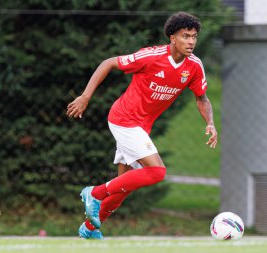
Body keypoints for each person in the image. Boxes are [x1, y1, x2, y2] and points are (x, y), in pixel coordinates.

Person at [66, 11, 217, 239]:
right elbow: (109, 63)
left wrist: (211, 123)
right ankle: (94, 194)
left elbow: (201, 98)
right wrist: (85, 97)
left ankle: (89, 229)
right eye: (186, 36)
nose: (191, 41)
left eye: (194, 36)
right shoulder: (151, 56)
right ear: (172, 38)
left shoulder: (194, 66)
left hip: (141, 127)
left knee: (123, 185)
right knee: (157, 171)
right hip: (124, 119)